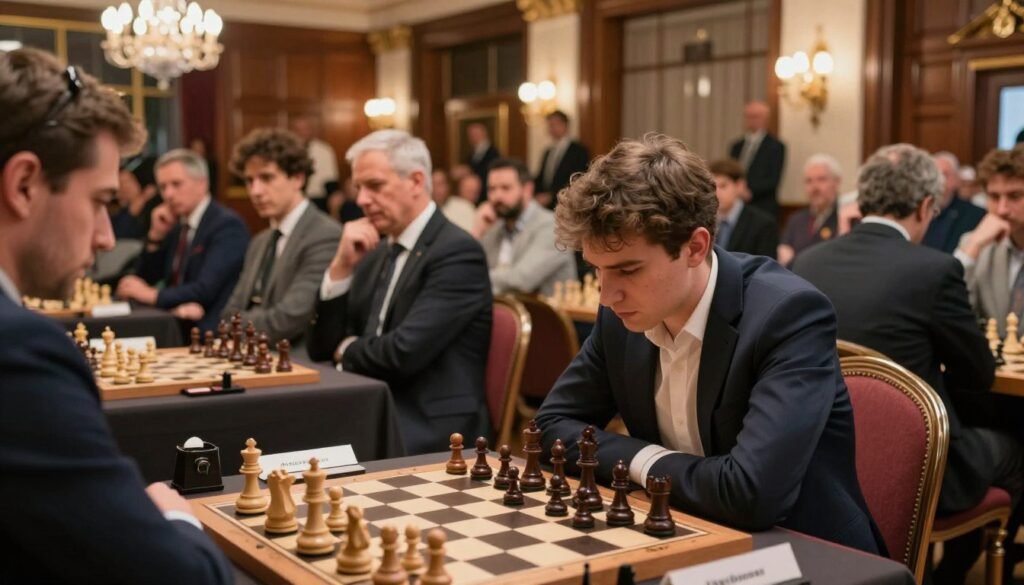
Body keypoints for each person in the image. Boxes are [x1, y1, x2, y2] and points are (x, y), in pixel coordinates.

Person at [534, 134, 882, 553]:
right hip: (681, 531)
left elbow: (751, 494)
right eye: (597, 270)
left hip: (798, 550)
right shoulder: (618, 317)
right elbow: (550, 430)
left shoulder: (789, 316)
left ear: (695, 247)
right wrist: (653, 463)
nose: (606, 296)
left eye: (627, 270)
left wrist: (640, 462)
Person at [0, 47, 231, 584]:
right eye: (99, 200)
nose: (106, 236)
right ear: (24, 184)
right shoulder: (17, 350)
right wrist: (175, 515)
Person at [792, 143, 1024, 584]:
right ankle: (962, 572)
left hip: (820, 460)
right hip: (917, 467)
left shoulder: (808, 262)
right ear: (924, 206)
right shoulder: (933, 269)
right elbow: (978, 375)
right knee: (1013, 448)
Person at [306, 129, 492, 455]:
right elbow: (320, 346)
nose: (361, 199)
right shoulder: (375, 249)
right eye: (359, 187)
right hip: (369, 402)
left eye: (375, 186)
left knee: (307, 454)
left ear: (416, 181)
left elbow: (402, 354)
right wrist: (340, 268)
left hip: (428, 422)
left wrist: (345, 350)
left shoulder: (458, 252)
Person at [173, 128, 342, 344]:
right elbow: (227, 315)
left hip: (295, 362)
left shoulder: (325, 235)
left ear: (298, 178)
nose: (255, 191)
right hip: (252, 355)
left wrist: (239, 325)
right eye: (249, 180)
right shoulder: (260, 241)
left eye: (266, 178)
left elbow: (288, 320)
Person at [116, 148, 249, 333]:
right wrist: (155, 236)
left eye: (176, 184)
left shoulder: (227, 225)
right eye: (163, 187)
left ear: (202, 184)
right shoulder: (178, 225)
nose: (168, 194)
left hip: (210, 330)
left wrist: (153, 295)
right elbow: (145, 278)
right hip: (175, 319)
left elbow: (205, 289)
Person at [471, 158, 575, 296]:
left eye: (505, 188)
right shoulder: (494, 226)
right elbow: (465, 268)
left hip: (544, 315)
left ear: (527, 189)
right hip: (502, 312)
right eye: (492, 189)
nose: (497, 196)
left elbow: (520, 280)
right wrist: (477, 231)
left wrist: (471, 280)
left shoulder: (553, 227)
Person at [955, 144, 1024, 335]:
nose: (1002, 209)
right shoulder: (975, 243)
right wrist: (972, 248)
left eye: (1014, 196)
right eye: (994, 197)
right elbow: (951, 312)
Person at [778, 154, 841, 266]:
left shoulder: (844, 219)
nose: (814, 187)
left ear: (836, 182)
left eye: (821, 179)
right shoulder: (796, 220)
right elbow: (783, 256)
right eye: (808, 181)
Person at [708, 159, 777, 258]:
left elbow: (766, 269)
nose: (716, 193)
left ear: (740, 186)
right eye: (713, 187)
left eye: (723, 186)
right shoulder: (704, 221)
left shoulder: (763, 225)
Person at [728, 101, 786, 220]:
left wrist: (749, 192)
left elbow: (773, 179)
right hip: (736, 205)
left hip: (762, 206)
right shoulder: (736, 146)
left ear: (766, 119)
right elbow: (730, 173)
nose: (752, 120)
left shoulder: (776, 146)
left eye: (756, 116)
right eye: (748, 116)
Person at [922, 151, 985, 254]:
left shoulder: (976, 215)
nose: (939, 181)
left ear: (957, 179)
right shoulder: (917, 213)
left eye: (945, 175)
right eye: (934, 175)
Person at [533, 110, 590, 209]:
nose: (552, 128)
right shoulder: (548, 152)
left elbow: (578, 179)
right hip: (547, 207)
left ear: (565, 125)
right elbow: (542, 178)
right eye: (550, 125)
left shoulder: (579, 151)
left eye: (555, 124)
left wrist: (551, 196)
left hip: (567, 204)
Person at [292, 116, 339, 211]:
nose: (301, 133)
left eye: (304, 129)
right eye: (298, 130)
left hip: (318, 201)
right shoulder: (286, 151)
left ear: (311, 130)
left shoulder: (324, 150)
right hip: (292, 199)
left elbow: (331, 180)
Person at [110, 155, 160, 240]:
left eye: (129, 181)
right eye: (122, 184)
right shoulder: (114, 213)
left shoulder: (153, 203)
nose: (127, 187)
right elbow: (119, 234)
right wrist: (141, 199)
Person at [433, 168, 474, 233]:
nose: (437, 189)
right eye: (434, 184)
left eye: (441, 184)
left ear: (448, 186)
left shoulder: (465, 207)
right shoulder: (426, 211)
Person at [466, 122, 498, 200]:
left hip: (485, 193)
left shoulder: (493, 153)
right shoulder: (472, 153)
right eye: (471, 135)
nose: (473, 137)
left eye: (475, 134)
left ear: (484, 134)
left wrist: (469, 170)